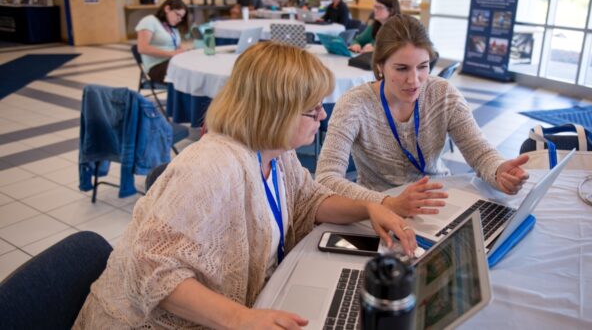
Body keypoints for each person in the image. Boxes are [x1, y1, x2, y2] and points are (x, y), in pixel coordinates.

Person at [72, 42, 417, 329]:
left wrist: (373, 208)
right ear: (276, 112)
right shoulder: (212, 166)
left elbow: (308, 202)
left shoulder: (276, 153)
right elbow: (149, 268)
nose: (322, 116)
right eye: (312, 110)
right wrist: (243, 319)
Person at [315, 15, 529, 218]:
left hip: (439, 199)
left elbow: (480, 154)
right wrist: (388, 202)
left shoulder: (443, 94)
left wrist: (499, 172)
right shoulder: (355, 104)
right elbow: (326, 177)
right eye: (401, 69)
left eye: (423, 67)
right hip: (378, 207)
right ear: (380, 66)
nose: (414, 80)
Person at [136, 0, 190, 83]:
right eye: (178, 15)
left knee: (197, 66)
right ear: (167, 9)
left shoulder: (172, 26)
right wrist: (170, 54)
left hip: (172, 62)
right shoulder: (149, 20)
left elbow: (178, 46)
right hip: (157, 67)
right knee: (190, 73)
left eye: (181, 17)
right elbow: (142, 48)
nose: (179, 19)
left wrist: (184, 51)